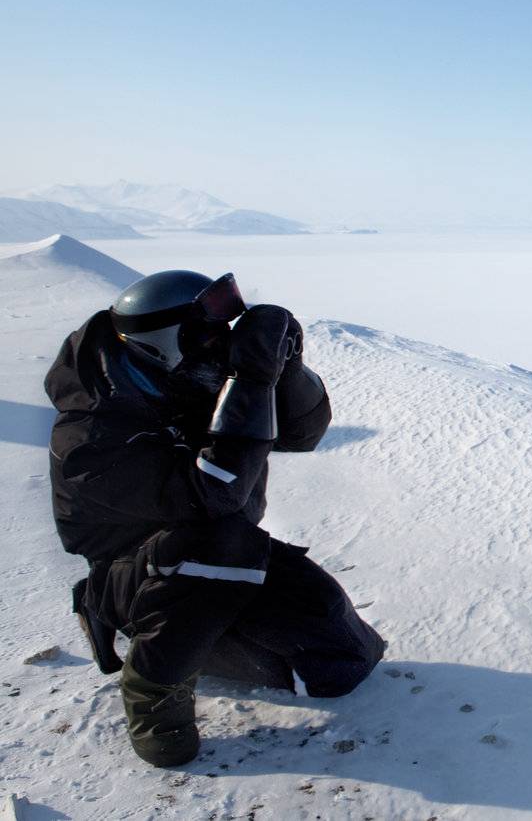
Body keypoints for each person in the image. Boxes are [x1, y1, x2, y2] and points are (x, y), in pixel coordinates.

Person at [44, 269, 385, 767]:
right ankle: (151, 693)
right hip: (132, 572)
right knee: (220, 544)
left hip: (215, 561)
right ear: (163, 344)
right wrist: (250, 379)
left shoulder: (180, 381)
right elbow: (215, 492)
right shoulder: (92, 434)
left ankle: (198, 632)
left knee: (343, 660)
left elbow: (301, 434)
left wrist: (285, 366)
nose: (221, 341)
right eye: (206, 333)